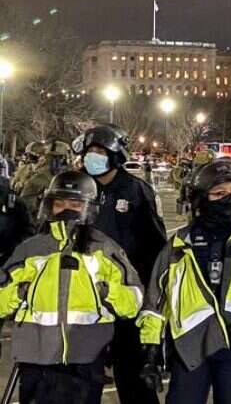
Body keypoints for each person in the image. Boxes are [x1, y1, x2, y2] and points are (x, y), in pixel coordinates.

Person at [137, 159, 231, 404]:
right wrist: (150, 353)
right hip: (189, 349)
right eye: (219, 193)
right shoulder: (178, 246)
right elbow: (155, 305)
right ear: (201, 199)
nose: (228, 199)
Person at [0, 170, 143, 404]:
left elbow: (132, 302)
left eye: (76, 203)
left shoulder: (105, 249)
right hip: (36, 358)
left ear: (89, 206)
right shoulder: (31, 249)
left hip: (86, 359)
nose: (67, 209)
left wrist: (109, 293)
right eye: (60, 203)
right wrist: (17, 293)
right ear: (49, 206)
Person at [73, 124, 167, 404]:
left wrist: (151, 296)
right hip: (84, 299)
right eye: (89, 151)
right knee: (81, 377)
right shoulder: (76, 187)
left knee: (133, 376)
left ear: (115, 155)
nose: (93, 157)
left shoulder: (136, 191)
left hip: (127, 297)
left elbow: (156, 245)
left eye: (99, 151)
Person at [20, 140, 71, 222]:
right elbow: (26, 202)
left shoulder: (72, 176)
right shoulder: (40, 177)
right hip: (44, 221)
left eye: (60, 158)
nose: (57, 161)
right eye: (53, 158)